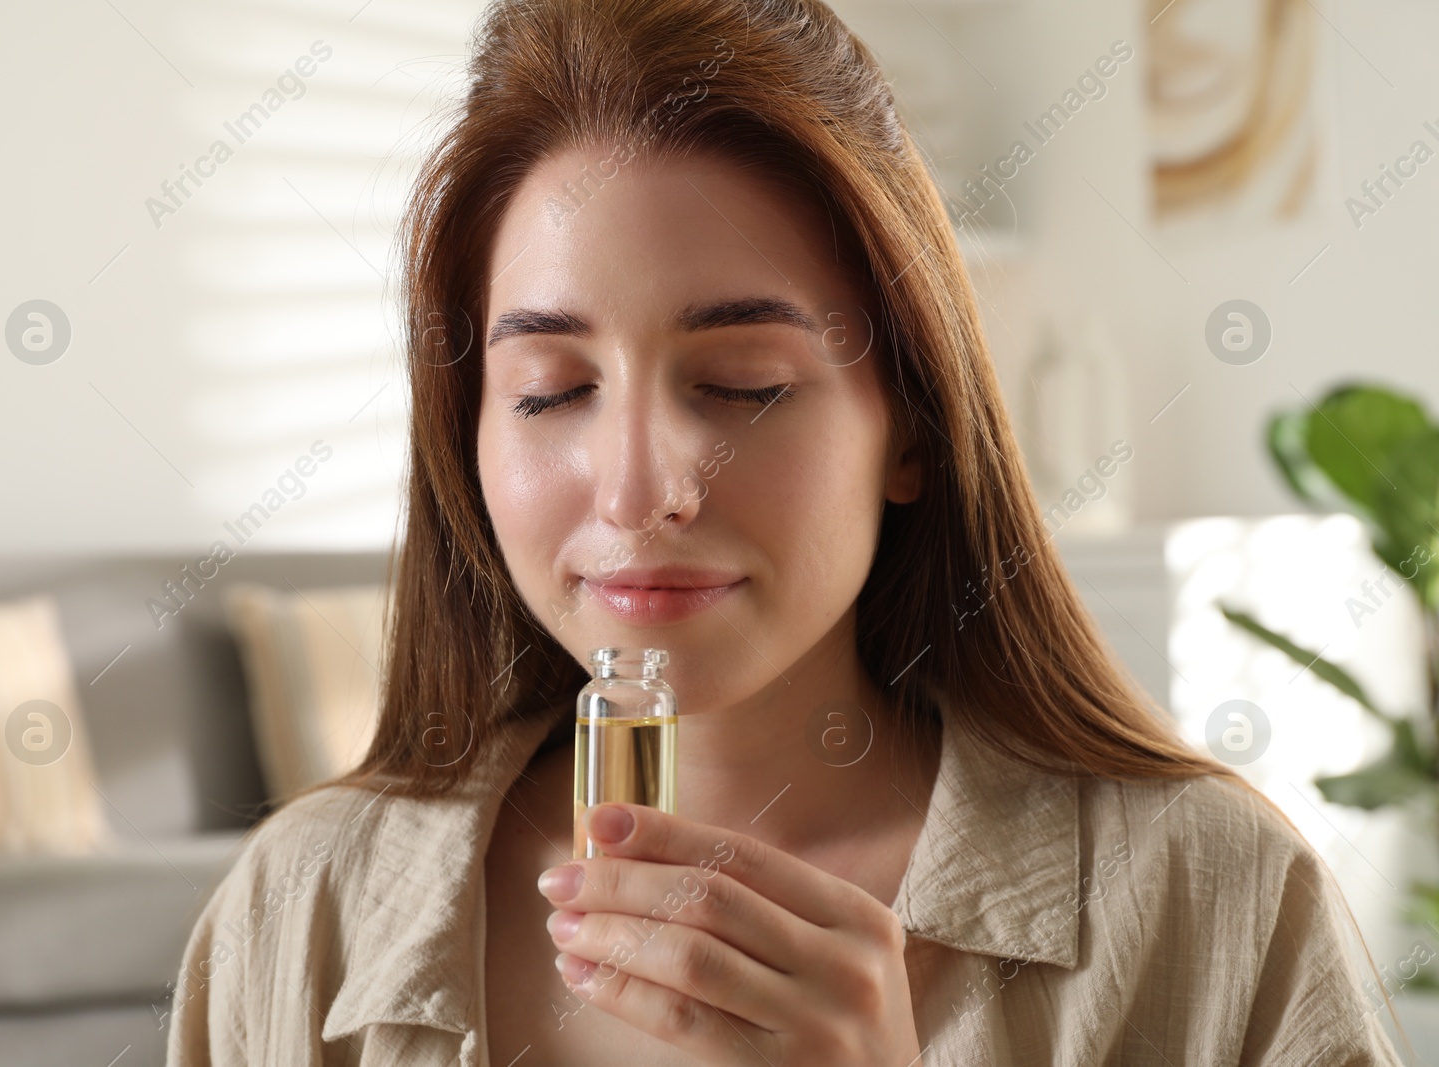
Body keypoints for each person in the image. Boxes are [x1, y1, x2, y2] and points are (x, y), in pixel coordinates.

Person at [165, 0, 1410, 1063]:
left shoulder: (1219, 907)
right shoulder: (299, 909)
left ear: (912, 427)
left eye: (744, 383)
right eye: (550, 390)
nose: (639, 490)